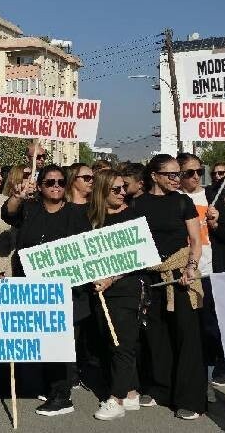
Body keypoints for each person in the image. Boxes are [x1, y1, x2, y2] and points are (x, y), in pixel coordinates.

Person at [4, 164, 92, 417]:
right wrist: (18, 196)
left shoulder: (76, 215)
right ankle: (50, 386)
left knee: (61, 344)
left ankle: (62, 396)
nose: (55, 187)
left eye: (60, 182)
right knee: (43, 341)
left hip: (66, 291)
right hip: (33, 289)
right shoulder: (29, 209)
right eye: (50, 182)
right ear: (40, 186)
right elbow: (8, 213)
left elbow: (85, 251)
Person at [130, 154, 205, 420]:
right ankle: (160, 388)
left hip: (180, 274)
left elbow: (195, 240)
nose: (178, 179)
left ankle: (189, 398)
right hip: (151, 276)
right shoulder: (136, 204)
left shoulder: (183, 201)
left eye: (180, 175)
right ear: (155, 176)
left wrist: (190, 268)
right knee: (155, 334)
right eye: (172, 175)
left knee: (186, 336)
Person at [87, 170, 142, 420]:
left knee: (122, 343)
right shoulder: (91, 219)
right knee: (111, 341)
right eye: (116, 189)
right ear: (102, 191)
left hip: (125, 289)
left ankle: (116, 398)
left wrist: (111, 278)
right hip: (100, 291)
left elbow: (138, 257)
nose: (122, 193)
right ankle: (130, 392)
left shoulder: (132, 216)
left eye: (124, 188)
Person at [177, 153, 212, 276]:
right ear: (179, 173)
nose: (196, 176)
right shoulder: (173, 198)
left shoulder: (210, 195)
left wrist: (215, 221)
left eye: (199, 171)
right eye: (190, 173)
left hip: (208, 267)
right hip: (182, 269)